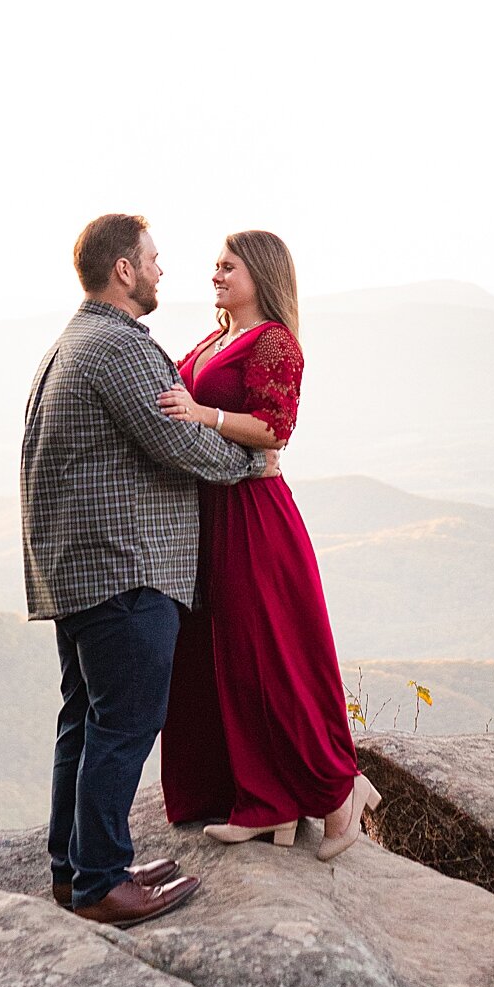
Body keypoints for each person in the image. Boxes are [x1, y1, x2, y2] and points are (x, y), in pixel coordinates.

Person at [20, 212, 281, 927]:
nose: (165, 270)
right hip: (124, 569)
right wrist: (253, 461)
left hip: (81, 572)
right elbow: (178, 442)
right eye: (155, 259)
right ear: (125, 270)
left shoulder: (77, 340)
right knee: (123, 726)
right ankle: (102, 881)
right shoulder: (118, 347)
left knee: (86, 721)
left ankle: (76, 874)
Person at [156, 229, 380, 860]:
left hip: (255, 515)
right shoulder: (215, 337)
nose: (216, 275)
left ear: (260, 272)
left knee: (272, 653)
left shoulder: (275, 341)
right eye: (216, 267)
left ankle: (340, 790)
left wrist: (208, 418)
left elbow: (275, 430)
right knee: (223, 655)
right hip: (211, 512)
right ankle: (263, 803)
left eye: (228, 267)